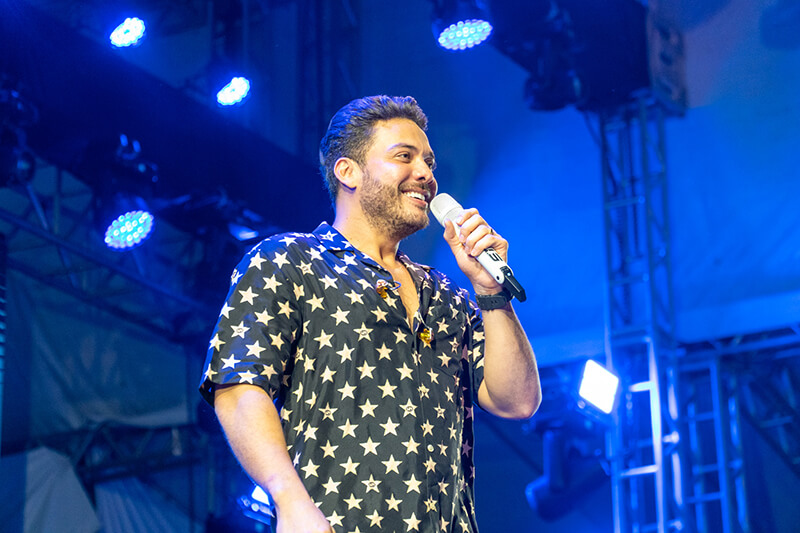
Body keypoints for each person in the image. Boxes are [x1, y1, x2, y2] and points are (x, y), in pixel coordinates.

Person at [199, 95, 541, 533]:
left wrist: (491, 292)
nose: (426, 174)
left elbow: (517, 401)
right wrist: (288, 499)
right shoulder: (290, 261)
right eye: (405, 156)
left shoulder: (447, 295)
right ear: (348, 172)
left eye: (429, 162)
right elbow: (238, 385)